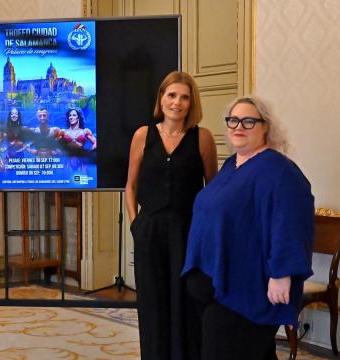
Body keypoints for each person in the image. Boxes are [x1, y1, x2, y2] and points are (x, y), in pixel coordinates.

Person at [181, 96, 314, 360]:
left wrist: (281, 273)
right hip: (218, 283)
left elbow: (290, 221)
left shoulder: (279, 170)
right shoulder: (233, 164)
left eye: (249, 120)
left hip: (247, 289)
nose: (238, 126)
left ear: (266, 127)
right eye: (233, 120)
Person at [125, 71, 218, 360]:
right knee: (152, 305)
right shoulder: (143, 135)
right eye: (171, 95)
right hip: (149, 232)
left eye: (184, 97)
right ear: (161, 98)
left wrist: (205, 233)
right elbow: (131, 185)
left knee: (185, 304)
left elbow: (212, 190)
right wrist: (135, 224)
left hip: (188, 233)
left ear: (192, 103)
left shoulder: (202, 138)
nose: (177, 102)